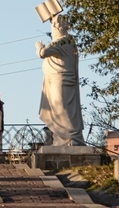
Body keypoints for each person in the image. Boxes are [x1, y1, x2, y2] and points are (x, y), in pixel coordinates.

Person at [36, 14, 86, 146]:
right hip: (64, 80)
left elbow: (43, 53)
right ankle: (62, 139)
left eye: (54, 27)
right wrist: (53, 19)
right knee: (64, 109)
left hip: (59, 79)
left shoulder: (62, 41)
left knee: (61, 109)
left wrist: (39, 47)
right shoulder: (70, 41)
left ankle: (70, 138)